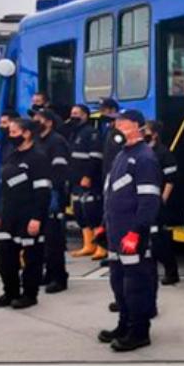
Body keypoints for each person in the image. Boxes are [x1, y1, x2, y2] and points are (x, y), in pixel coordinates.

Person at [96, 109, 161, 352]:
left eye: (122, 124)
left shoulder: (144, 158)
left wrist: (137, 231)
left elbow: (149, 200)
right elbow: (112, 193)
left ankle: (139, 331)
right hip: (116, 232)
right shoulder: (122, 155)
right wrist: (105, 223)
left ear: (138, 126)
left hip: (132, 234)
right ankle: (124, 324)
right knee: (119, 281)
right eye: (116, 124)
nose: (117, 128)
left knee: (136, 284)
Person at [0, 118, 52, 309]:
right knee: (3, 256)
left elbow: (43, 192)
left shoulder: (38, 158)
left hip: (29, 215)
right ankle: (10, 292)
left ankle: (29, 295)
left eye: (14, 132)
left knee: (32, 259)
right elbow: (5, 189)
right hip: (9, 216)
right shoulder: (12, 156)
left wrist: (37, 218)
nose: (10, 135)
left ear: (27, 134)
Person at [34, 109, 71, 294]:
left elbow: (60, 171)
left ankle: (59, 277)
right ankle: (48, 273)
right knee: (43, 238)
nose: (34, 121)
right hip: (39, 194)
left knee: (54, 237)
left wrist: (51, 190)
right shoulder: (38, 141)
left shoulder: (56, 141)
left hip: (53, 194)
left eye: (38, 119)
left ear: (48, 122)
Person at [145, 120, 180, 286]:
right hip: (144, 202)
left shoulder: (163, 153)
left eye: (146, 130)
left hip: (157, 202)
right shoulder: (143, 151)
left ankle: (171, 272)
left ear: (155, 134)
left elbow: (171, 179)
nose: (143, 132)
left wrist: (163, 199)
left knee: (159, 240)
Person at [68, 104, 104, 259]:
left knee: (92, 212)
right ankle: (88, 245)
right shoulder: (74, 133)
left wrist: (88, 176)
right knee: (79, 212)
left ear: (85, 115)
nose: (73, 116)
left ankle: (101, 246)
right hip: (75, 180)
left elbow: (95, 157)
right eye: (72, 113)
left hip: (88, 180)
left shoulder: (92, 133)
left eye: (76, 113)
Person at [94, 97, 124, 262]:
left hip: (116, 177)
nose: (102, 113)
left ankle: (113, 251)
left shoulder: (118, 135)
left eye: (105, 110)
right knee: (107, 214)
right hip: (108, 175)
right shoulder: (107, 130)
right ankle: (108, 249)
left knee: (114, 214)